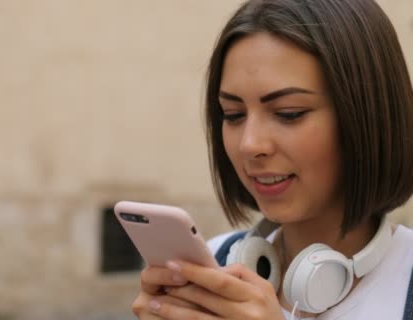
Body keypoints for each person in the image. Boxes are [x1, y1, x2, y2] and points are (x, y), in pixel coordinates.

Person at [132, 0, 413, 319]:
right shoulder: (214, 263)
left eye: (288, 113)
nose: (250, 144)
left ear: (367, 116)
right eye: (233, 115)